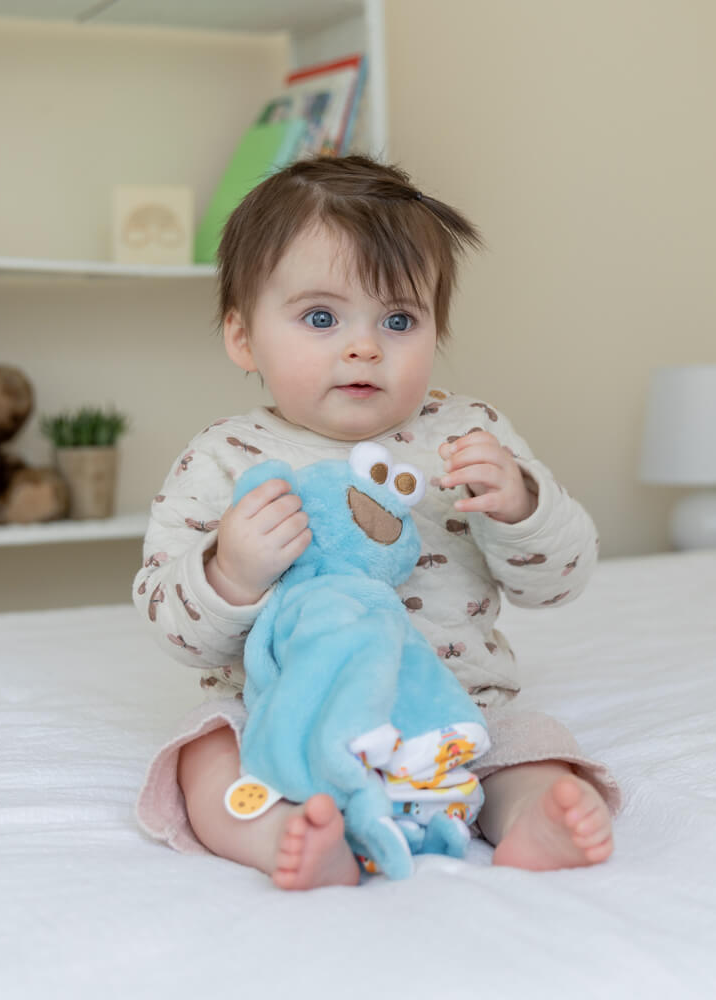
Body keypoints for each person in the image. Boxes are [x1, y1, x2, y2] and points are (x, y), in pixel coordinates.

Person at [133, 154, 620, 890]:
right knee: (205, 752)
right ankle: (283, 835)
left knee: (531, 747)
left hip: (455, 712)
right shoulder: (225, 458)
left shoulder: (468, 437)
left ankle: (532, 819)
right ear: (243, 337)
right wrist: (229, 572)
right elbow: (174, 628)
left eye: (399, 319)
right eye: (321, 318)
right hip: (287, 713)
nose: (364, 346)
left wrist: (521, 505)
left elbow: (560, 584)